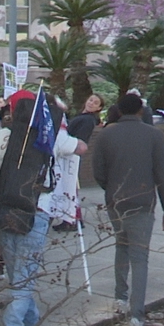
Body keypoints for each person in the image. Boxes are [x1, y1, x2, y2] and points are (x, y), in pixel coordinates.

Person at [0, 90, 87, 326]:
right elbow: (81, 147)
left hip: (3, 207)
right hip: (37, 209)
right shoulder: (49, 135)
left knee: (16, 273)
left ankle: (31, 319)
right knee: (26, 274)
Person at [91, 92, 164, 326]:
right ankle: (136, 318)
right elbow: (163, 175)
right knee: (140, 258)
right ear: (141, 111)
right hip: (142, 202)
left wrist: (111, 189)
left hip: (116, 201)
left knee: (121, 246)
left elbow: (98, 171)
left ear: (118, 110)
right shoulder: (154, 135)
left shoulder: (106, 135)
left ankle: (120, 297)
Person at [53, 93, 105, 232]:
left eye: (95, 103)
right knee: (69, 187)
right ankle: (72, 218)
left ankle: (73, 219)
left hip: (71, 154)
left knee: (69, 187)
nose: (91, 103)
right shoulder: (83, 117)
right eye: (91, 100)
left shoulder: (87, 120)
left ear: (99, 108)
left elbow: (79, 139)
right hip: (68, 153)